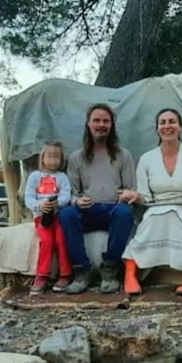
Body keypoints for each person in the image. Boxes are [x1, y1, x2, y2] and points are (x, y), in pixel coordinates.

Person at [121, 108, 182, 296]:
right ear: (157, 128)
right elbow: (144, 196)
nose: (167, 126)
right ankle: (130, 272)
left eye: (172, 122)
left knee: (174, 217)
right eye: (163, 122)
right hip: (157, 208)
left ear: (180, 127)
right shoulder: (146, 159)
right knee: (151, 221)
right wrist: (134, 196)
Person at [59, 103, 138, 294]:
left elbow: (131, 188)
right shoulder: (76, 158)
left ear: (112, 125)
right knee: (67, 213)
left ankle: (110, 269)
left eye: (105, 121)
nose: (101, 125)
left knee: (125, 212)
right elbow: (72, 193)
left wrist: (126, 195)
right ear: (88, 124)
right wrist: (77, 201)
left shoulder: (124, 155)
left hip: (113, 210)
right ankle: (81, 271)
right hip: (88, 210)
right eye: (96, 120)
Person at [24, 142, 73, 295]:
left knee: (61, 239)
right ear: (42, 158)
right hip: (42, 217)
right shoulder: (34, 176)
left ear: (62, 160)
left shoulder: (62, 177)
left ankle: (65, 274)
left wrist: (58, 202)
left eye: (56, 157)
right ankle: (42, 276)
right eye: (49, 156)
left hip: (58, 216)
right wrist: (40, 206)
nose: (53, 160)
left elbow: (66, 195)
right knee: (46, 241)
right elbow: (28, 198)